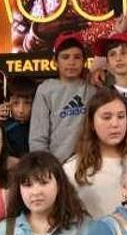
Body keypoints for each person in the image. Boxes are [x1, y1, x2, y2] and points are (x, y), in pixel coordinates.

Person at [64, 88, 127, 219]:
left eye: (121, 116)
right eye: (106, 117)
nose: (115, 124)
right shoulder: (72, 169)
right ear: (91, 123)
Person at [29, 33, 96, 163]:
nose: (71, 62)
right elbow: (38, 137)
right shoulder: (46, 90)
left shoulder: (92, 90)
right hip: (55, 164)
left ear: (84, 61)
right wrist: (45, 166)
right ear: (55, 61)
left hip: (88, 163)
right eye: (65, 57)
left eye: (77, 57)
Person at [5, 75, 36, 157]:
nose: (21, 110)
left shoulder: (40, 127)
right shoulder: (4, 128)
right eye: (15, 103)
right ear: (8, 103)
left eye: (27, 103)